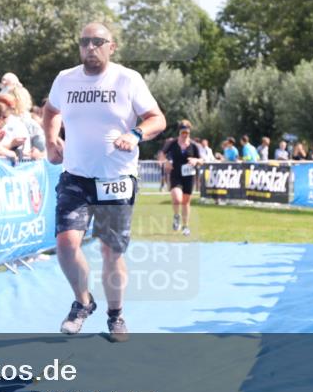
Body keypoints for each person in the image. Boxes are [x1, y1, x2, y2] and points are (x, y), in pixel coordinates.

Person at [42, 22, 166, 341]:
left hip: (116, 178)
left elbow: (157, 119)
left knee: (111, 251)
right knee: (66, 245)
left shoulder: (128, 79)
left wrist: (135, 134)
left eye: (98, 41)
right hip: (76, 176)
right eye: (85, 42)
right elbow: (51, 110)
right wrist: (51, 140)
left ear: (112, 46)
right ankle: (83, 302)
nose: (90, 47)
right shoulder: (65, 79)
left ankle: (116, 315)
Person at [163, 120, 202, 236]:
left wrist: (196, 160)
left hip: (189, 176)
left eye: (187, 132)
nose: (185, 135)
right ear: (179, 132)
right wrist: (166, 162)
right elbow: (161, 154)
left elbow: (201, 160)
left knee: (186, 202)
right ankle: (176, 216)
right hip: (175, 175)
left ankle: (185, 226)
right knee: (177, 199)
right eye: (183, 132)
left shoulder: (194, 145)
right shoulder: (172, 143)